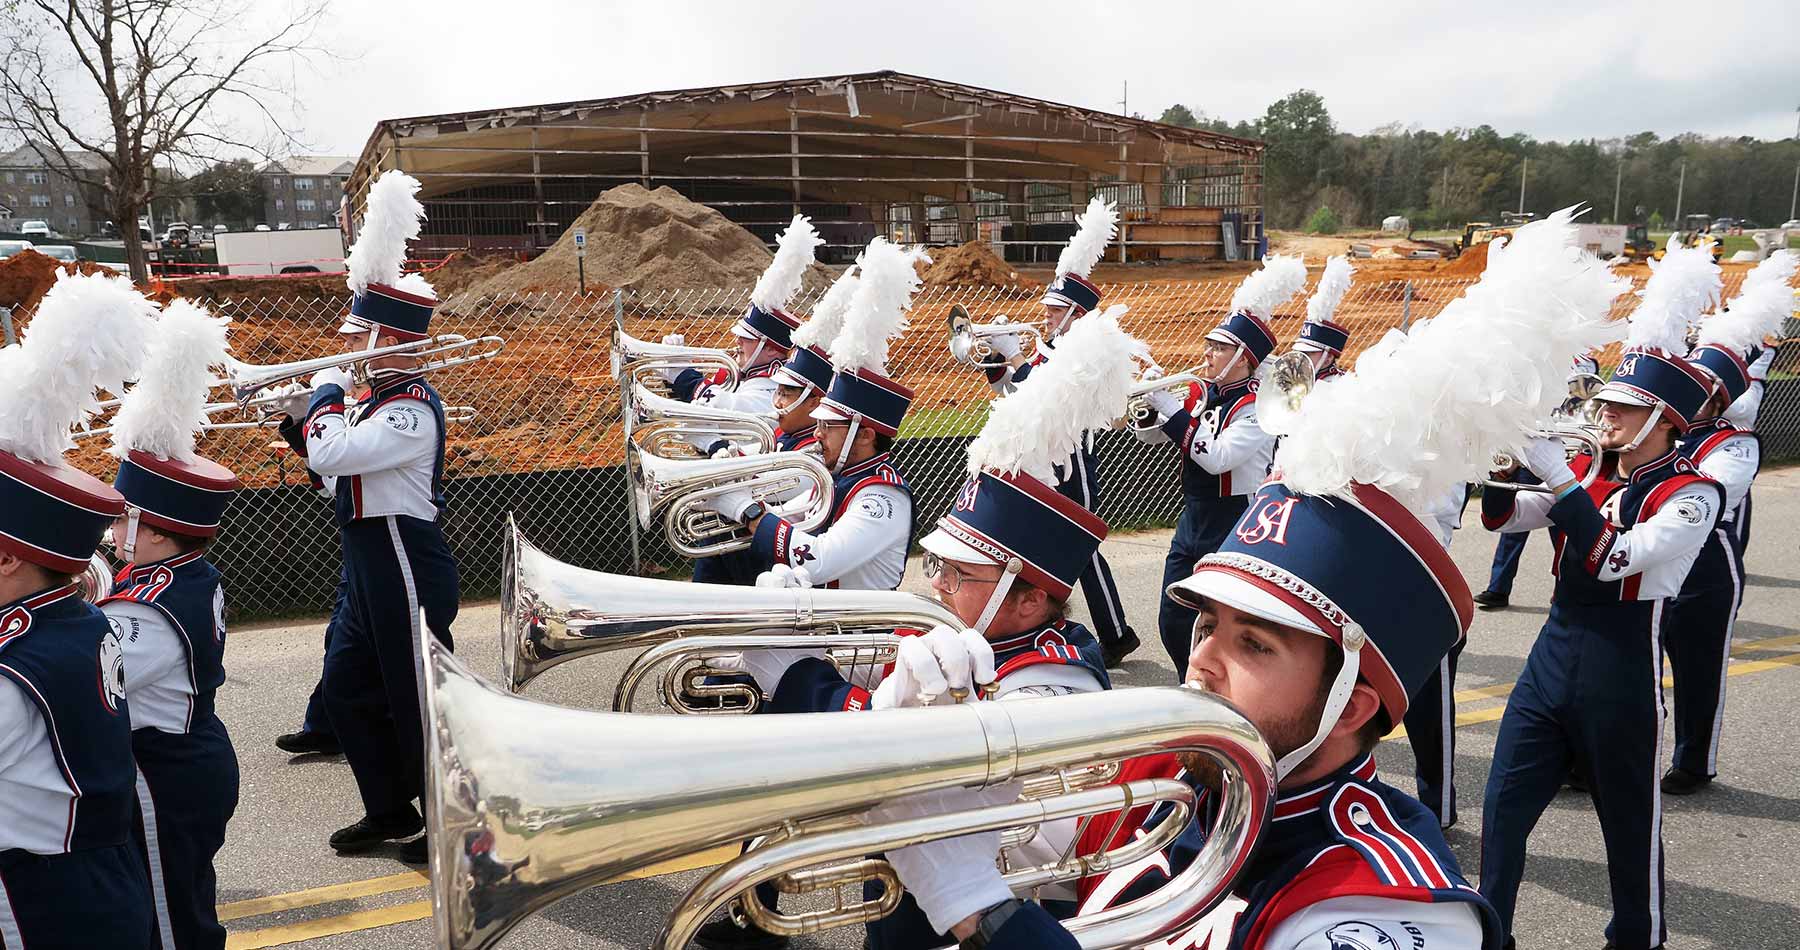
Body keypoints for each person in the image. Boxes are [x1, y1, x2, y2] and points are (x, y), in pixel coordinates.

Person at [864, 206, 1625, 950]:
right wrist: (923, 749)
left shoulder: (1385, 906)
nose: (1201, 660)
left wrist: (978, 909)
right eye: (1207, 626)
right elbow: (1026, 842)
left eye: (1255, 644)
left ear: (1352, 699)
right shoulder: (1179, 778)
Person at [716, 307, 1142, 950]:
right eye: (937, 565)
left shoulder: (1047, 693)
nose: (935, 584)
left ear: (1028, 602)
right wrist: (801, 633)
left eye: (957, 575)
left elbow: (908, 758)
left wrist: (798, 674)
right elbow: (887, 671)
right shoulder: (982, 636)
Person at [1479, 241, 1726, 950]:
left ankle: (1638, 936)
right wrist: (1505, 457)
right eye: (1607, 403)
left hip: (1624, 662)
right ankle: (1492, 933)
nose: (1605, 414)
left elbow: (1614, 558)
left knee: (1628, 826)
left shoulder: (1693, 494)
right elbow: (1508, 515)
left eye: (1623, 407)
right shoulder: (1588, 468)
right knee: (1502, 809)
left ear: (1664, 422)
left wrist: (1557, 474)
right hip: (1552, 654)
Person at [272, 170, 460, 865]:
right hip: (368, 557)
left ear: (391, 341)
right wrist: (301, 421)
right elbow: (333, 473)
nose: (348, 351)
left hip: (404, 557)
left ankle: (445, 819)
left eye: (358, 340)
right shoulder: (371, 402)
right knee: (348, 690)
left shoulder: (409, 406)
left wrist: (321, 397)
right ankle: (387, 809)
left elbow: (339, 454)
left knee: (412, 698)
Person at [0, 270, 158, 948]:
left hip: (42, 903)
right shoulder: (73, 614)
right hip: (98, 875)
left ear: (9, 560)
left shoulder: (13, 667)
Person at [101, 298, 243, 949]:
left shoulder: (149, 605)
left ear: (159, 532)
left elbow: (95, 678)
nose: (111, 526)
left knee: (171, 923)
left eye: (124, 515)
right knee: (174, 904)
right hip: (184, 761)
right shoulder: (177, 574)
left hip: (165, 773)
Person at [962, 196, 1142, 667]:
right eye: (1046, 308)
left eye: (1055, 310)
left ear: (1077, 316)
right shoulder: (1047, 347)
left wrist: (1017, 358)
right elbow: (1013, 395)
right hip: (1037, 456)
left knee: (1082, 549)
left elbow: (1046, 390)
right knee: (1045, 546)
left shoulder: (1082, 355)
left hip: (1073, 460)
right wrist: (997, 360)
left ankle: (1117, 633)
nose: (1045, 317)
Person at [706, 239, 924, 593]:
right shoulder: (840, 476)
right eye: (818, 423)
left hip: (848, 639)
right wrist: (734, 495)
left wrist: (746, 511)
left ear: (865, 434)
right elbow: (789, 517)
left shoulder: (881, 496)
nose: (818, 433)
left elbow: (817, 560)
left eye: (828, 425)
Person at [1661, 250, 1793, 794]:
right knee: (1628, 669)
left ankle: (1695, 760)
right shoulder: (1664, 431)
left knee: (1699, 671)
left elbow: (1707, 495)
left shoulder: (1734, 443)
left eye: (1701, 389)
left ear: (1720, 397)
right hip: (1653, 564)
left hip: (1707, 568)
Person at [1133, 255, 1304, 671]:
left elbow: (1217, 458)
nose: (1208, 353)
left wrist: (1172, 409)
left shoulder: (1258, 409)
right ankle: (1187, 682)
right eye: (1209, 345)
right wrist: (1151, 410)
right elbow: (1156, 435)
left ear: (1243, 358)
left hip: (1234, 520)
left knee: (1221, 623)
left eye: (1219, 348)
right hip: (1194, 516)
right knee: (1172, 619)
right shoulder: (1202, 392)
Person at [671, 216, 818, 587]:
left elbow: (718, 410)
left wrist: (685, 379)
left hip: (761, 538)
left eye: (747, 340)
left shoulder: (769, 387)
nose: (738, 343)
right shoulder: (746, 377)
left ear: (770, 347)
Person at [1474, 353, 1596, 610]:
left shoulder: (1586, 362)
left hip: (1563, 450)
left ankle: (1567, 584)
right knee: (1514, 519)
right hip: (1529, 444)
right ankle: (1499, 587)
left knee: (1566, 526)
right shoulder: (1526, 357)